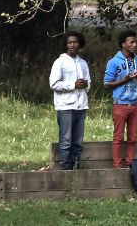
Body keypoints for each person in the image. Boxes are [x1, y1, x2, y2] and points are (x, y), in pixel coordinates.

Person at [49, 31, 91, 170]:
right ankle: (65, 169)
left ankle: (76, 167)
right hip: (65, 106)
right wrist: (72, 85)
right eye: (70, 42)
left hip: (81, 106)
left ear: (80, 44)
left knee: (78, 141)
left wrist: (85, 85)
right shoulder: (60, 62)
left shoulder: (83, 63)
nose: (73, 45)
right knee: (66, 140)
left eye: (75, 42)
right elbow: (54, 84)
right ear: (66, 45)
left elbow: (88, 84)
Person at [103, 30, 137, 168]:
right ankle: (117, 165)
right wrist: (124, 79)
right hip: (120, 105)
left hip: (135, 105)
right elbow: (107, 84)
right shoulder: (114, 62)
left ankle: (130, 164)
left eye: (135, 42)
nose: (134, 44)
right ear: (123, 44)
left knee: (133, 138)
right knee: (118, 137)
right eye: (131, 42)